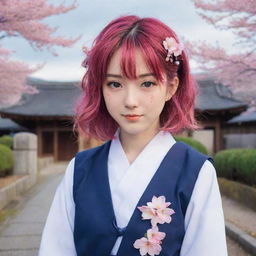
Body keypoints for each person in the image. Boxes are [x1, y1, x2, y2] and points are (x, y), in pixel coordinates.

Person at [38, 15, 228, 256]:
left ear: (170, 87)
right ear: (101, 88)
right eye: (115, 84)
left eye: (147, 83)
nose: (130, 101)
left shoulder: (196, 172)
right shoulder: (79, 170)